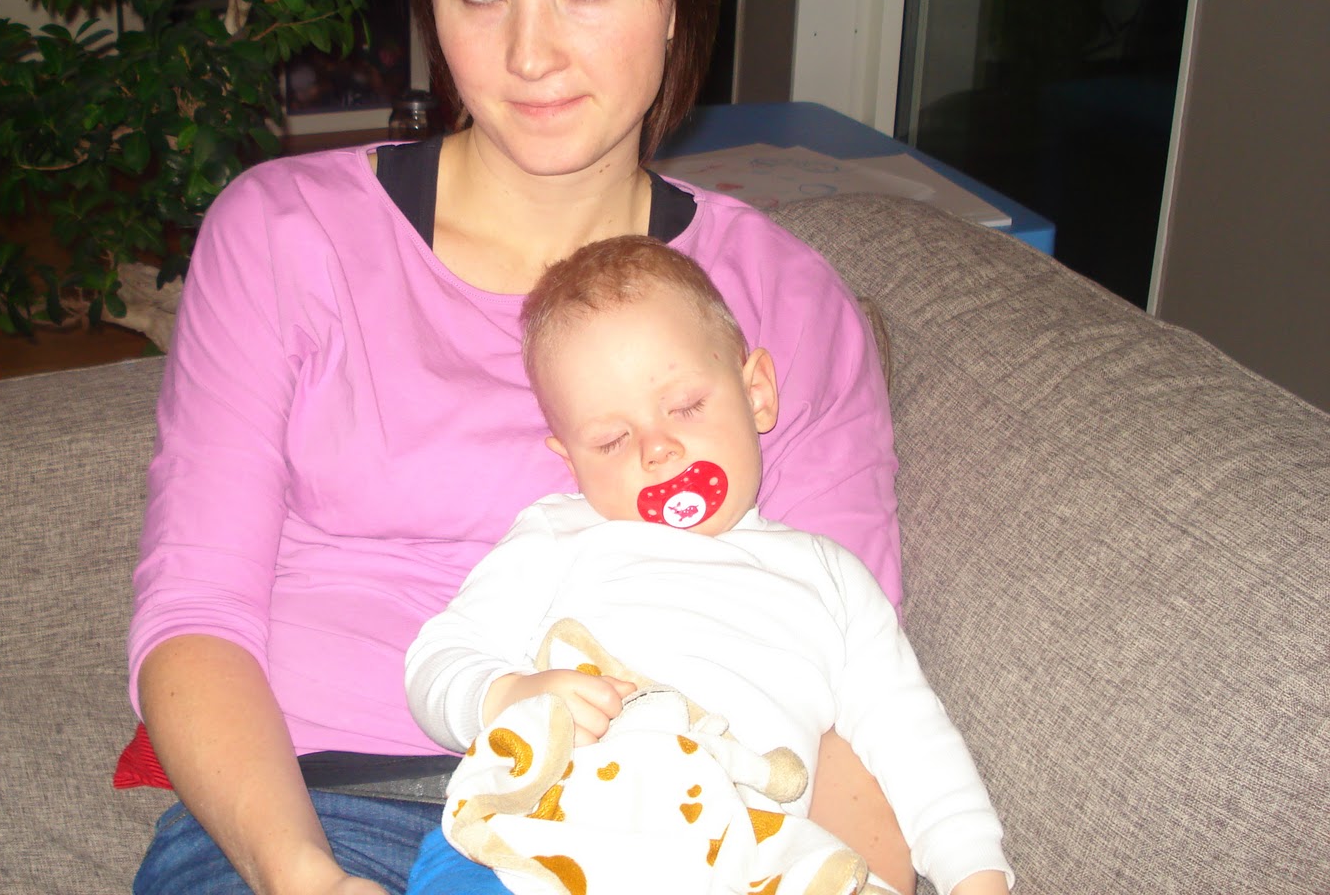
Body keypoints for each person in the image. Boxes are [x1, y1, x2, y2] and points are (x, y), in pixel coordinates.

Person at [128, 0, 908, 895]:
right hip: (333, 807)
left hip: (663, 832)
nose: (530, 54)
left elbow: (848, 684)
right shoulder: (288, 234)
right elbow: (195, 612)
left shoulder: (784, 301)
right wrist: (299, 873)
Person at [403, 237, 1012, 895]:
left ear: (757, 393)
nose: (658, 449)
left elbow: (911, 740)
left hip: (733, 862)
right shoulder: (561, 534)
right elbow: (439, 657)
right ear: (572, 461)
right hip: (540, 837)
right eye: (611, 440)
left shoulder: (830, 579)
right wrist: (503, 695)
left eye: (686, 407)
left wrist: (975, 876)